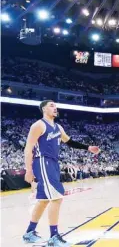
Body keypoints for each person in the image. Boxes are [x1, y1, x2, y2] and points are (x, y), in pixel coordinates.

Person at [23, 100, 100, 246]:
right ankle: (54, 237)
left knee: (44, 200)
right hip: (43, 161)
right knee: (57, 197)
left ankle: (29, 233)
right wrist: (28, 170)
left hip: (53, 163)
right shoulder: (38, 125)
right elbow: (28, 148)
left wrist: (88, 147)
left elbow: (69, 142)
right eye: (51, 105)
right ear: (43, 109)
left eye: (56, 106)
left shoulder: (58, 127)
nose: (55, 108)